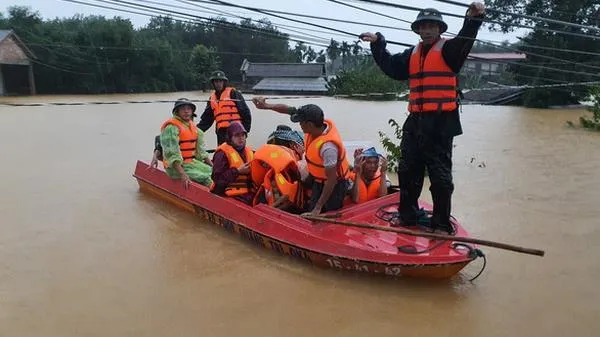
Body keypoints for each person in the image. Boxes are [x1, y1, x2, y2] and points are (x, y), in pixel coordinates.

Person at [359, 2, 485, 234]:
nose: (427, 30)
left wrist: (474, 17)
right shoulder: (412, 55)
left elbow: (466, 38)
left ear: (440, 29)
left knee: (440, 176)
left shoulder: (450, 51)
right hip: (415, 122)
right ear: (418, 30)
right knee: (407, 170)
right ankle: (407, 216)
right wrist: (378, 43)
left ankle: (440, 224)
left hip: (440, 122)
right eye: (423, 26)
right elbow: (391, 66)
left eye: (431, 26)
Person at [252, 97, 352, 216]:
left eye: (301, 122)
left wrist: (318, 208)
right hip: (317, 179)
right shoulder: (317, 123)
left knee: (325, 213)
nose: (299, 125)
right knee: (311, 208)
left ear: (309, 124)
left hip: (334, 185)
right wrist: (266, 106)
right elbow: (289, 110)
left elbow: (332, 180)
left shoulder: (328, 148)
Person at [154, 98, 213, 188]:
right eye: (183, 109)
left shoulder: (196, 129)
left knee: (215, 174)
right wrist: (183, 174)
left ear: (192, 111)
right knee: (206, 178)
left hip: (192, 163)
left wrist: (214, 167)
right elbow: (172, 155)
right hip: (175, 168)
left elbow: (202, 154)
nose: (186, 111)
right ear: (177, 112)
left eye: (188, 109)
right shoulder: (171, 128)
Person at [197, 70, 252, 145]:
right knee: (223, 154)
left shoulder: (234, 93)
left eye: (220, 81)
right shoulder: (212, 99)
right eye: (216, 81)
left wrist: (245, 131)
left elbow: (245, 113)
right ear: (213, 83)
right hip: (221, 134)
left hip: (236, 131)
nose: (218, 84)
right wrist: (196, 132)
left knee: (237, 154)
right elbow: (206, 120)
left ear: (224, 82)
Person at [210, 122, 254, 204]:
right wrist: (237, 171)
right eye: (237, 135)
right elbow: (218, 179)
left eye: (243, 135)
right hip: (226, 192)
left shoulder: (250, 152)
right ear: (230, 138)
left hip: (246, 192)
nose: (241, 138)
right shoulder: (222, 153)